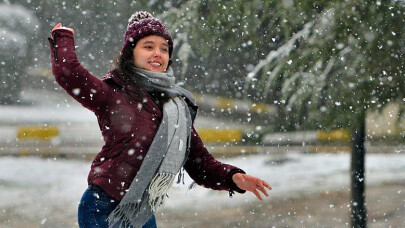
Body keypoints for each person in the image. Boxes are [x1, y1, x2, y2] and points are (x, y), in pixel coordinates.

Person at [48, 11, 271, 228]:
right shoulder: (113, 93)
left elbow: (200, 163)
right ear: (130, 53)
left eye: (164, 49)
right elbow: (68, 73)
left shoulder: (176, 109)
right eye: (148, 47)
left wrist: (234, 178)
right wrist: (64, 37)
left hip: (140, 212)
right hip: (102, 206)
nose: (158, 53)